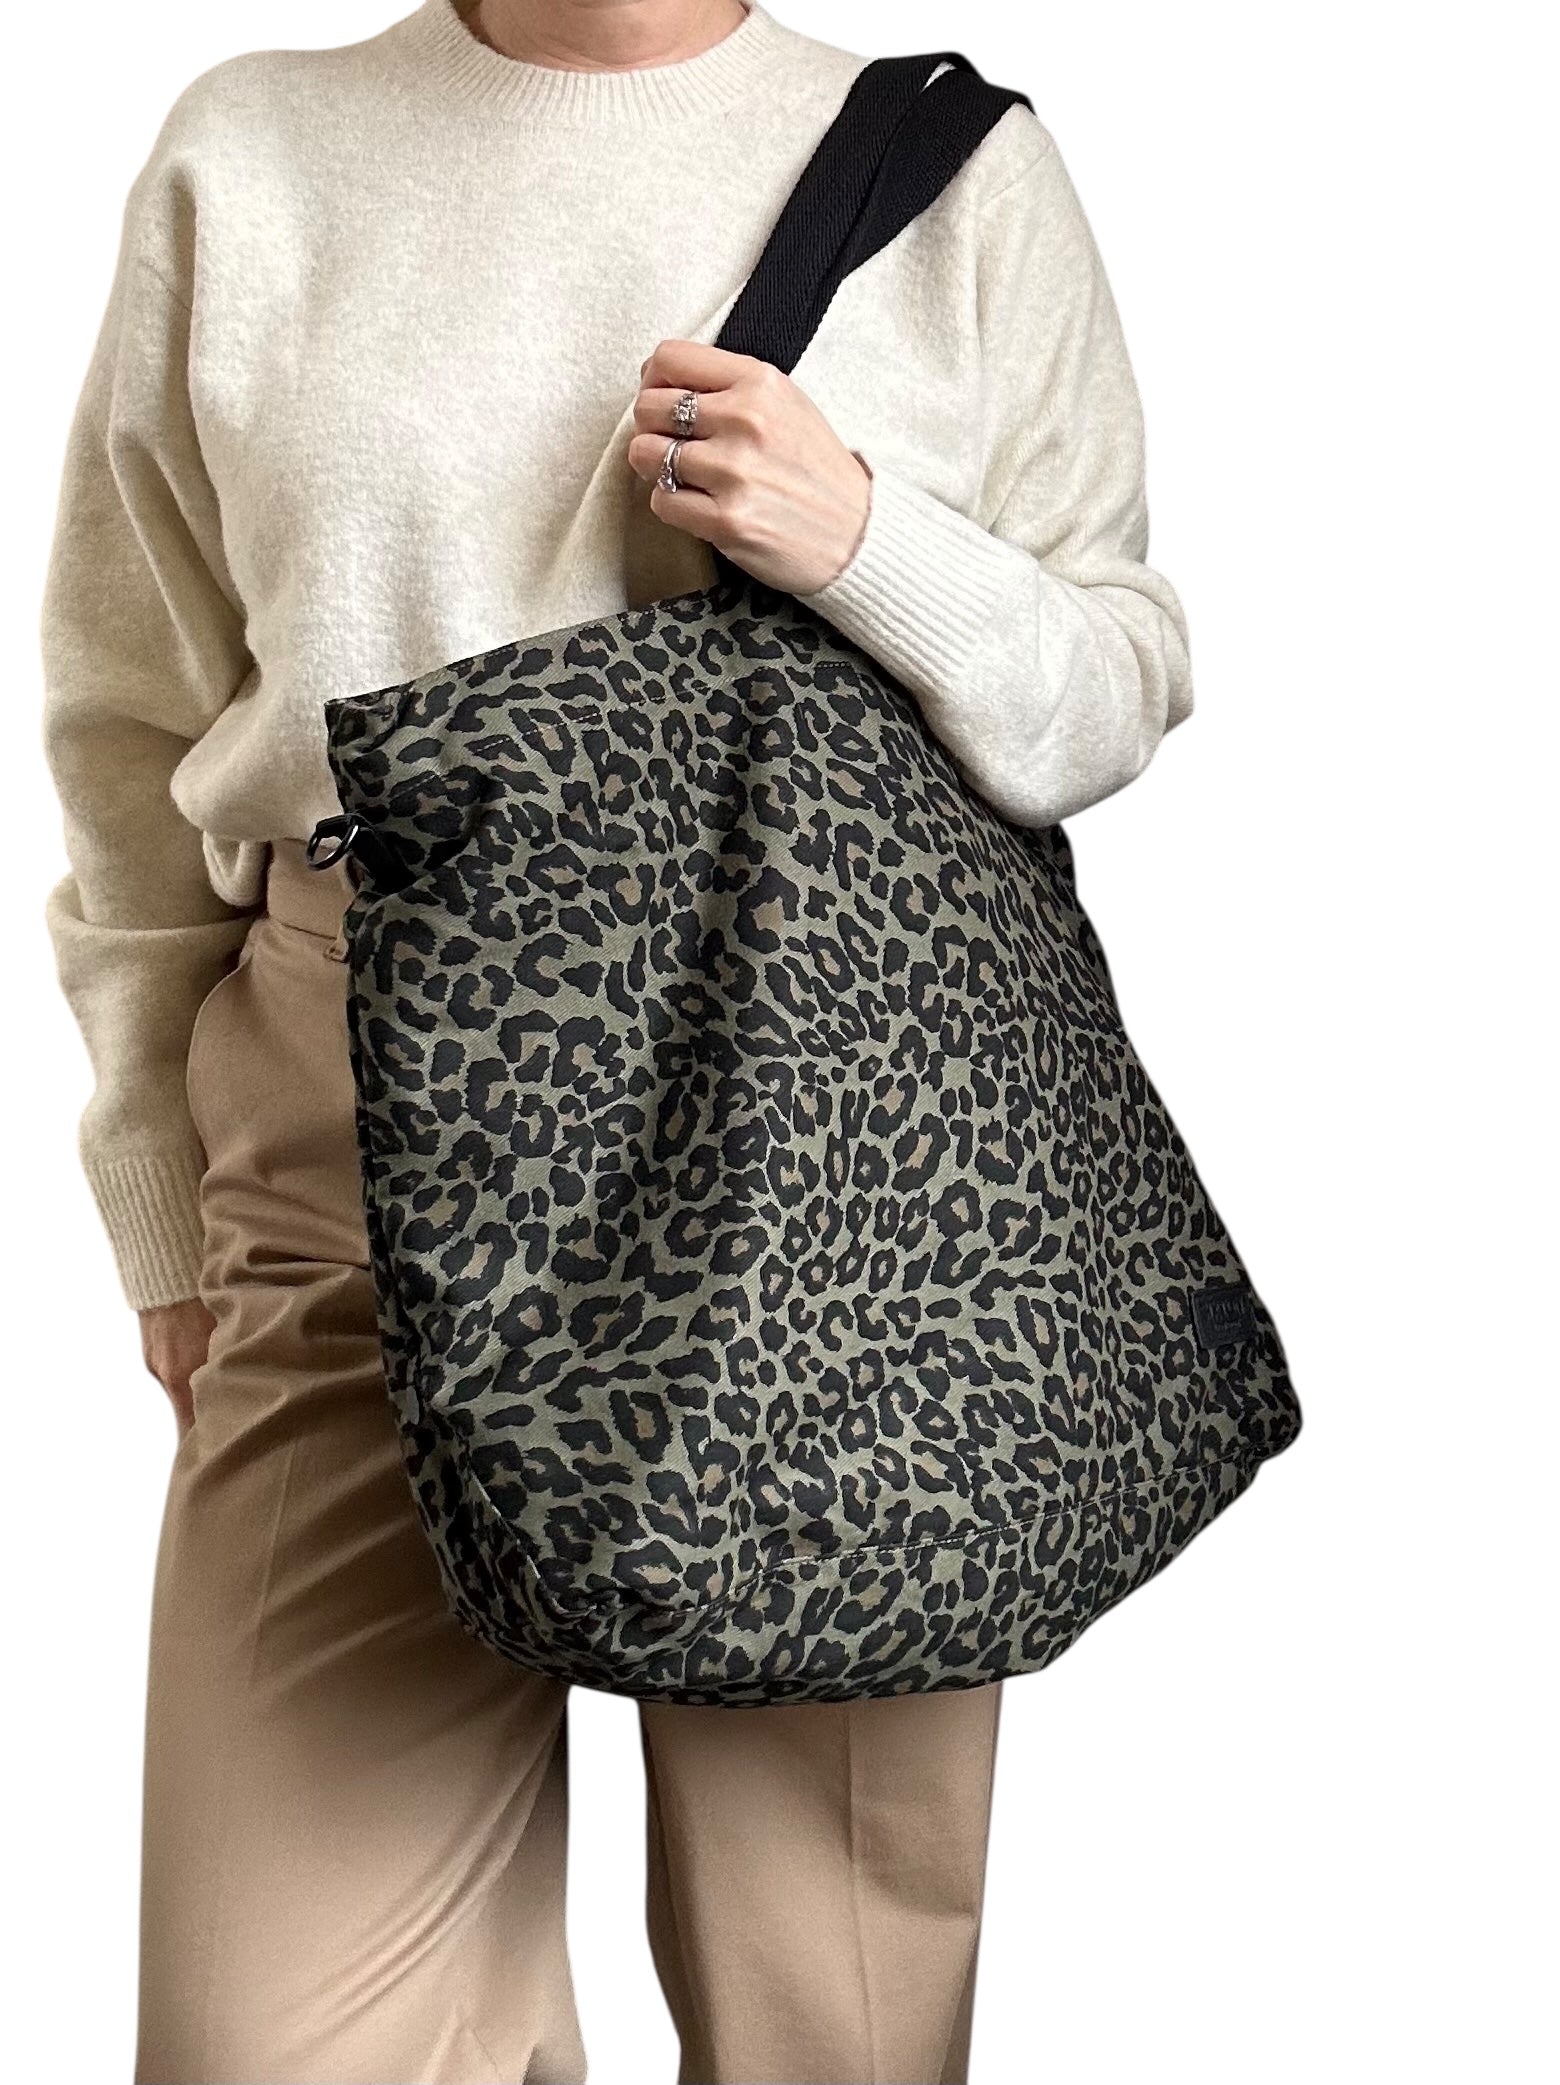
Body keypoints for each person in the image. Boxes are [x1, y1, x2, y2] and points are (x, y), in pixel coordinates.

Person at [39, 3, 1193, 2079]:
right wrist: (154, 1186)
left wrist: (866, 539)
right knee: (271, 2037)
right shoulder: (255, 156)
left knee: (833, 2022)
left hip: (830, 1159)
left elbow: (1109, 684)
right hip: (348, 1135)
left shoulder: (951, 175)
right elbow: (132, 726)